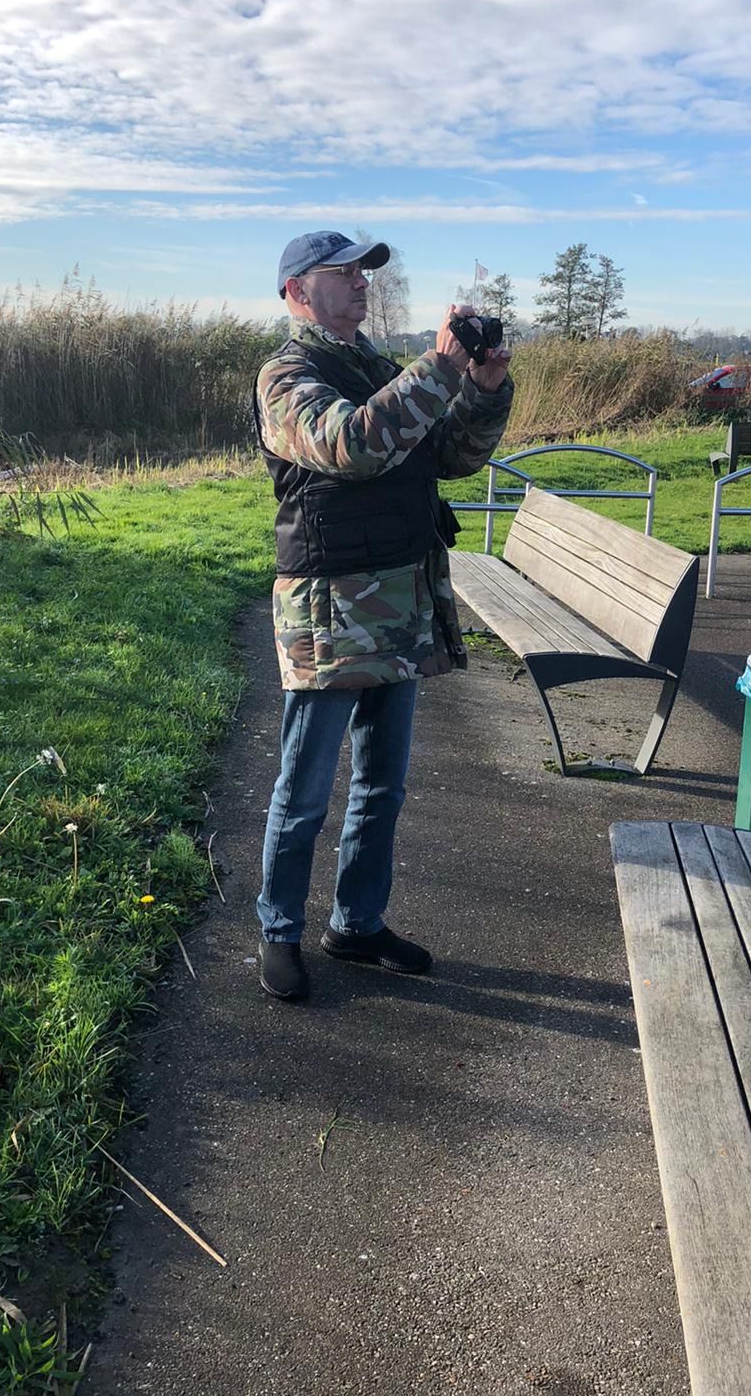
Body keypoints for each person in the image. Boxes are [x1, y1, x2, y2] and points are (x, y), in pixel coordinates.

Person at [253, 231, 514, 1000]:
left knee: (382, 785)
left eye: (366, 274)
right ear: (299, 290)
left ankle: (356, 925)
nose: (363, 285)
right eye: (345, 274)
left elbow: (452, 455)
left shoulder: (374, 366)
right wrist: (438, 365)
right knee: (304, 790)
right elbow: (353, 444)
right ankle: (279, 931)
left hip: (399, 600)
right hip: (330, 610)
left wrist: (485, 384)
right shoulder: (286, 374)